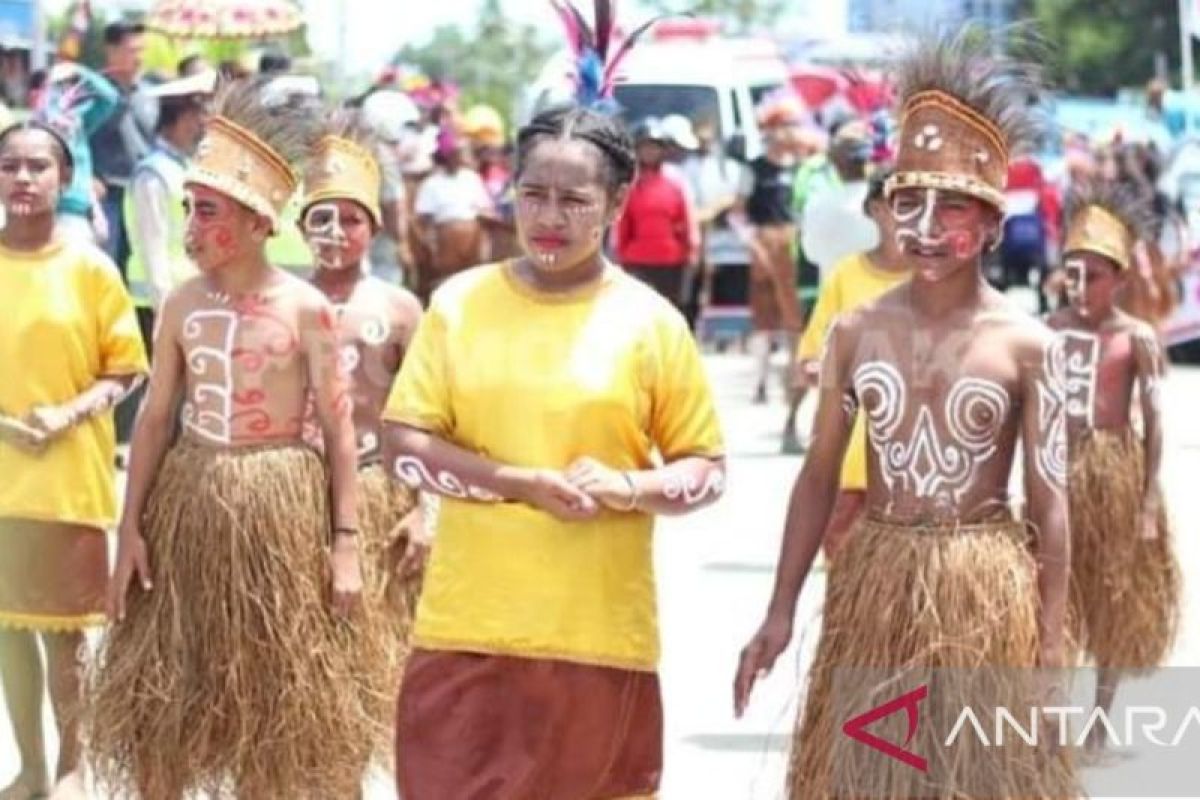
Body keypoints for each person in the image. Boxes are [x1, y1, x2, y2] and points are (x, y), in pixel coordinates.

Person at [381, 8, 724, 794]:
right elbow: (403, 443)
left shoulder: (651, 322)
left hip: (598, 638)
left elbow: (706, 468)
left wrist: (630, 487)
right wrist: (516, 484)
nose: (550, 218)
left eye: (575, 201)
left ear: (615, 204)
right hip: (468, 630)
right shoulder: (460, 303)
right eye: (533, 195)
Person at [734, 31, 1075, 798]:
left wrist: (1051, 642)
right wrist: (779, 612)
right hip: (875, 580)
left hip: (983, 588)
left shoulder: (1029, 345)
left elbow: (1051, 503)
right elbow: (818, 477)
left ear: (991, 223)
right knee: (872, 773)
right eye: (906, 202)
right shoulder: (858, 331)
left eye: (951, 205)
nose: (924, 225)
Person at [85, 78, 388, 800]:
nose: (190, 227)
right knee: (168, 703)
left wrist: (344, 543)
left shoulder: (307, 308)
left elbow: (340, 433)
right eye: (190, 208)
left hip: (277, 510)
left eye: (207, 211)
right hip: (187, 502)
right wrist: (129, 532)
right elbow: (155, 418)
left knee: (272, 705)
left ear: (257, 222)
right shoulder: (184, 304)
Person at [0, 120, 146, 800]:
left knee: (64, 638)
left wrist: (66, 414)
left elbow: (125, 368)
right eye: (10, 167)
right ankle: (28, 765)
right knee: (8, 629)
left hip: (65, 475)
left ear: (65, 180)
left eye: (37, 167)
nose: (23, 179)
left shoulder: (90, 267)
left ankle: (70, 765)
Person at [1048, 182, 1181, 751]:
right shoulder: (1049, 331)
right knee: (1057, 590)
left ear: (1120, 279)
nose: (1080, 287)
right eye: (1072, 273)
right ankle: (1049, 715)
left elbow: (1154, 423)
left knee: (1110, 593)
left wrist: (1148, 500)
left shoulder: (1138, 340)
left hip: (1114, 474)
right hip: (1057, 473)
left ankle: (1101, 714)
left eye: (1094, 275)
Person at [300, 111, 429, 664]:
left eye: (351, 220)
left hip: (380, 490)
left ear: (373, 229)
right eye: (321, 218)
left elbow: (426, 415)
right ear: (302, 227)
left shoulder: (400, 309)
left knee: (372, 650)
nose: (336, 232)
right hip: (296, 492)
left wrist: (425, 510)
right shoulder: (280, 302)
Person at [782, 170, 910, 549]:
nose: (911, 217)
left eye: (921, 206)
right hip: (847, 465)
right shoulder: (846, 275)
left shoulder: (938, 280)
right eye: (900, 205)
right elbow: (809, 357)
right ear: (875, 211)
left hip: (916, 474)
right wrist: (823, 369)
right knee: (845, 592)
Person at [782, 121, 879, 452]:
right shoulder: (885, 205)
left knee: (815, 365)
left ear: (834, 163)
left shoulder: (819, 203)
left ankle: (791, 425)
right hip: (879, 302)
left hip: (831, 300)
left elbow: (809, 252)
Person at [124, 71, 214, 337]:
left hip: (188, 297)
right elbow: (153, 247)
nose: (202, 126)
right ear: (179, 118)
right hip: (158, 305)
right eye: (197, 117)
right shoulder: (153, 174)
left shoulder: (184, 167)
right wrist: (164, 310)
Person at [739, 101, 803, 404]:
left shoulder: (803, 167)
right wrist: (752, 244)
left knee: (795, 318)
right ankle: (760, 382)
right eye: (784, 125)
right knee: (763, 320)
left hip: (793, 244)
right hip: (764, 242)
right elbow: (738, 213)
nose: (790, 131)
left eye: (793, 124)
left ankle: (793, 377)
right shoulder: (754, 169)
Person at [88, 20, 156, 276]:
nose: (139, 58)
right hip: (109, 194)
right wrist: (89, 176)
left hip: (144, 191)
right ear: (111, 51)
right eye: (132, 50)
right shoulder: (93, 94)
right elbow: (74, 138)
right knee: (107, 261)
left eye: (142, 50)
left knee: (143, 261)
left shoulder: (150, 94)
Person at [615, 118, 698, 310]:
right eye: (645, 147)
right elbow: (622, 224)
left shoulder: (676, 181)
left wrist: (692, 249)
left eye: (654, 147)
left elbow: (687, 221)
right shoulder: (629, 185)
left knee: (670, 311)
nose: (650, 152)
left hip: (671, 261)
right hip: (636, 261)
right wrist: (621, 256)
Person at [36, 62, 119, 245]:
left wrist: (79, 71)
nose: (63, 90)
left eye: (68, 84)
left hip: (80, 211)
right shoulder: (35, 129)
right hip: (49, 210)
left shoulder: (79, 122)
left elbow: (110, 97)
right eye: (57, 86)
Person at [413, 127, 493, 302]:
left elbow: (486, 208)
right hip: (446, 240)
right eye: (458, 153)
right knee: (447, 284)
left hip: (473, 236)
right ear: (448, 156)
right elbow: (423, 220)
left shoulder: (471, 178)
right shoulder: (432, 184)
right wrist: (429, 244)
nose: (462, 157)